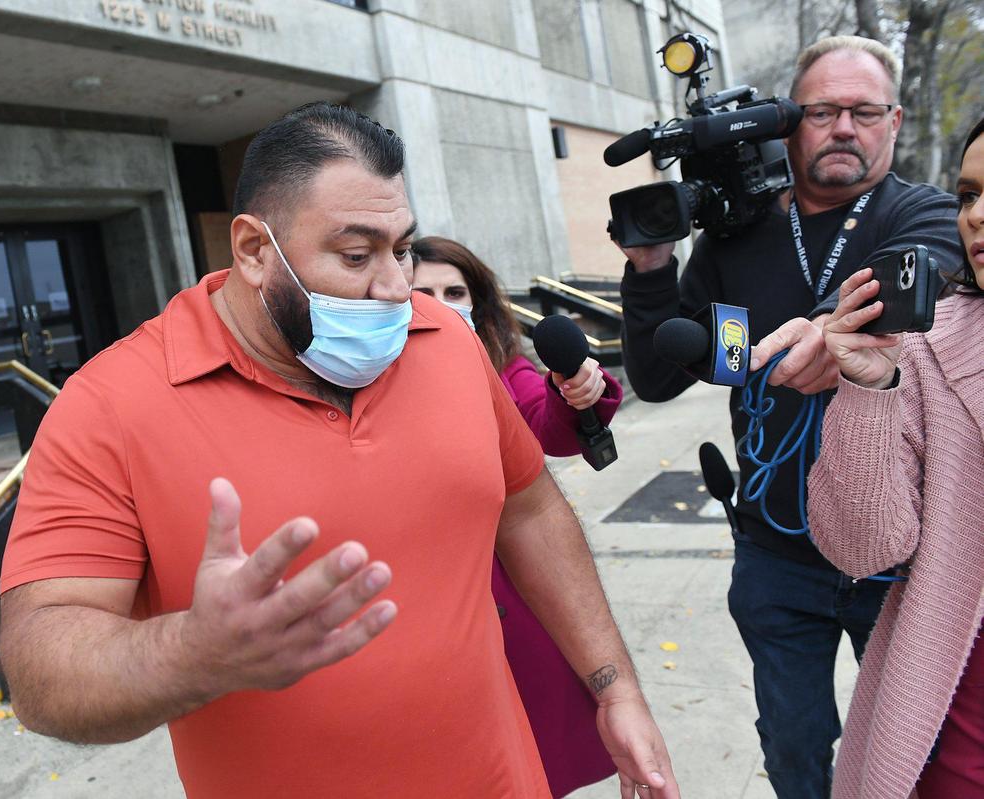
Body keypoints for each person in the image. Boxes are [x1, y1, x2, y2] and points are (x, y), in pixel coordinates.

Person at [0, 102, 680, 799]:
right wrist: (192, 654)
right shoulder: (110, 403)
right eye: (356, 255)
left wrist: (614, 686)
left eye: (402, 248)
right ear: (254, 251)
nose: (394, 286)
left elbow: (529, 509)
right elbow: (40, 670)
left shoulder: (445, 339)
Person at [614, 35, 961, 799]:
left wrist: (833, 328)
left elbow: (923, 274)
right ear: (787, 124)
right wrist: (650, 269)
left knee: (918, 755)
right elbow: (655, 376)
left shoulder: (922, 213)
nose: (844, 127)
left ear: (894, 121)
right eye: (824, 110)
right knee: (794, 752)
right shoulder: (735, 237)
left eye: (865, 111)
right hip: (774, 555)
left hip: (896, 560)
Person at [808, 116, 984, 799]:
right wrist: (869, 385)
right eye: (967, 194)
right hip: (960, 732)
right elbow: (862, 549)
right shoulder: (925, 340)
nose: (976, 216)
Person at [411, 236, 622, 798]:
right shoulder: (364, 374)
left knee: (531, 760)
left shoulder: (502, 367)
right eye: (423, 291)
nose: (440, 302)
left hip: (511, 602)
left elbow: (542, 421)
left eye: (454, 291)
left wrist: (576, 393)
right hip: (420, 609)